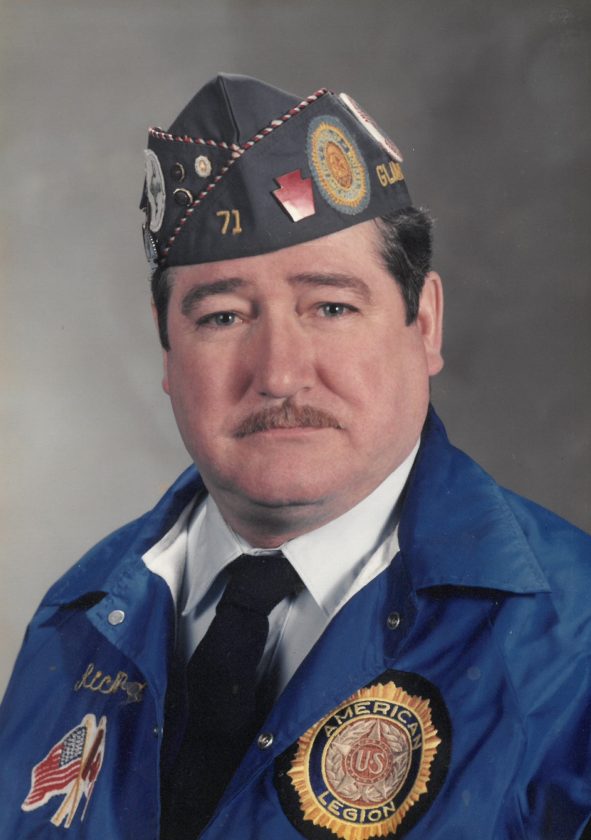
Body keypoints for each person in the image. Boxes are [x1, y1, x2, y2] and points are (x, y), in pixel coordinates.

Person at [0, 74, 589, 840]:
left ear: (424, 323)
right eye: (222, 316)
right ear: (168, 348)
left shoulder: (571, 643)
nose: (278, 373)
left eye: (331, 307)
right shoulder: (77, 619)